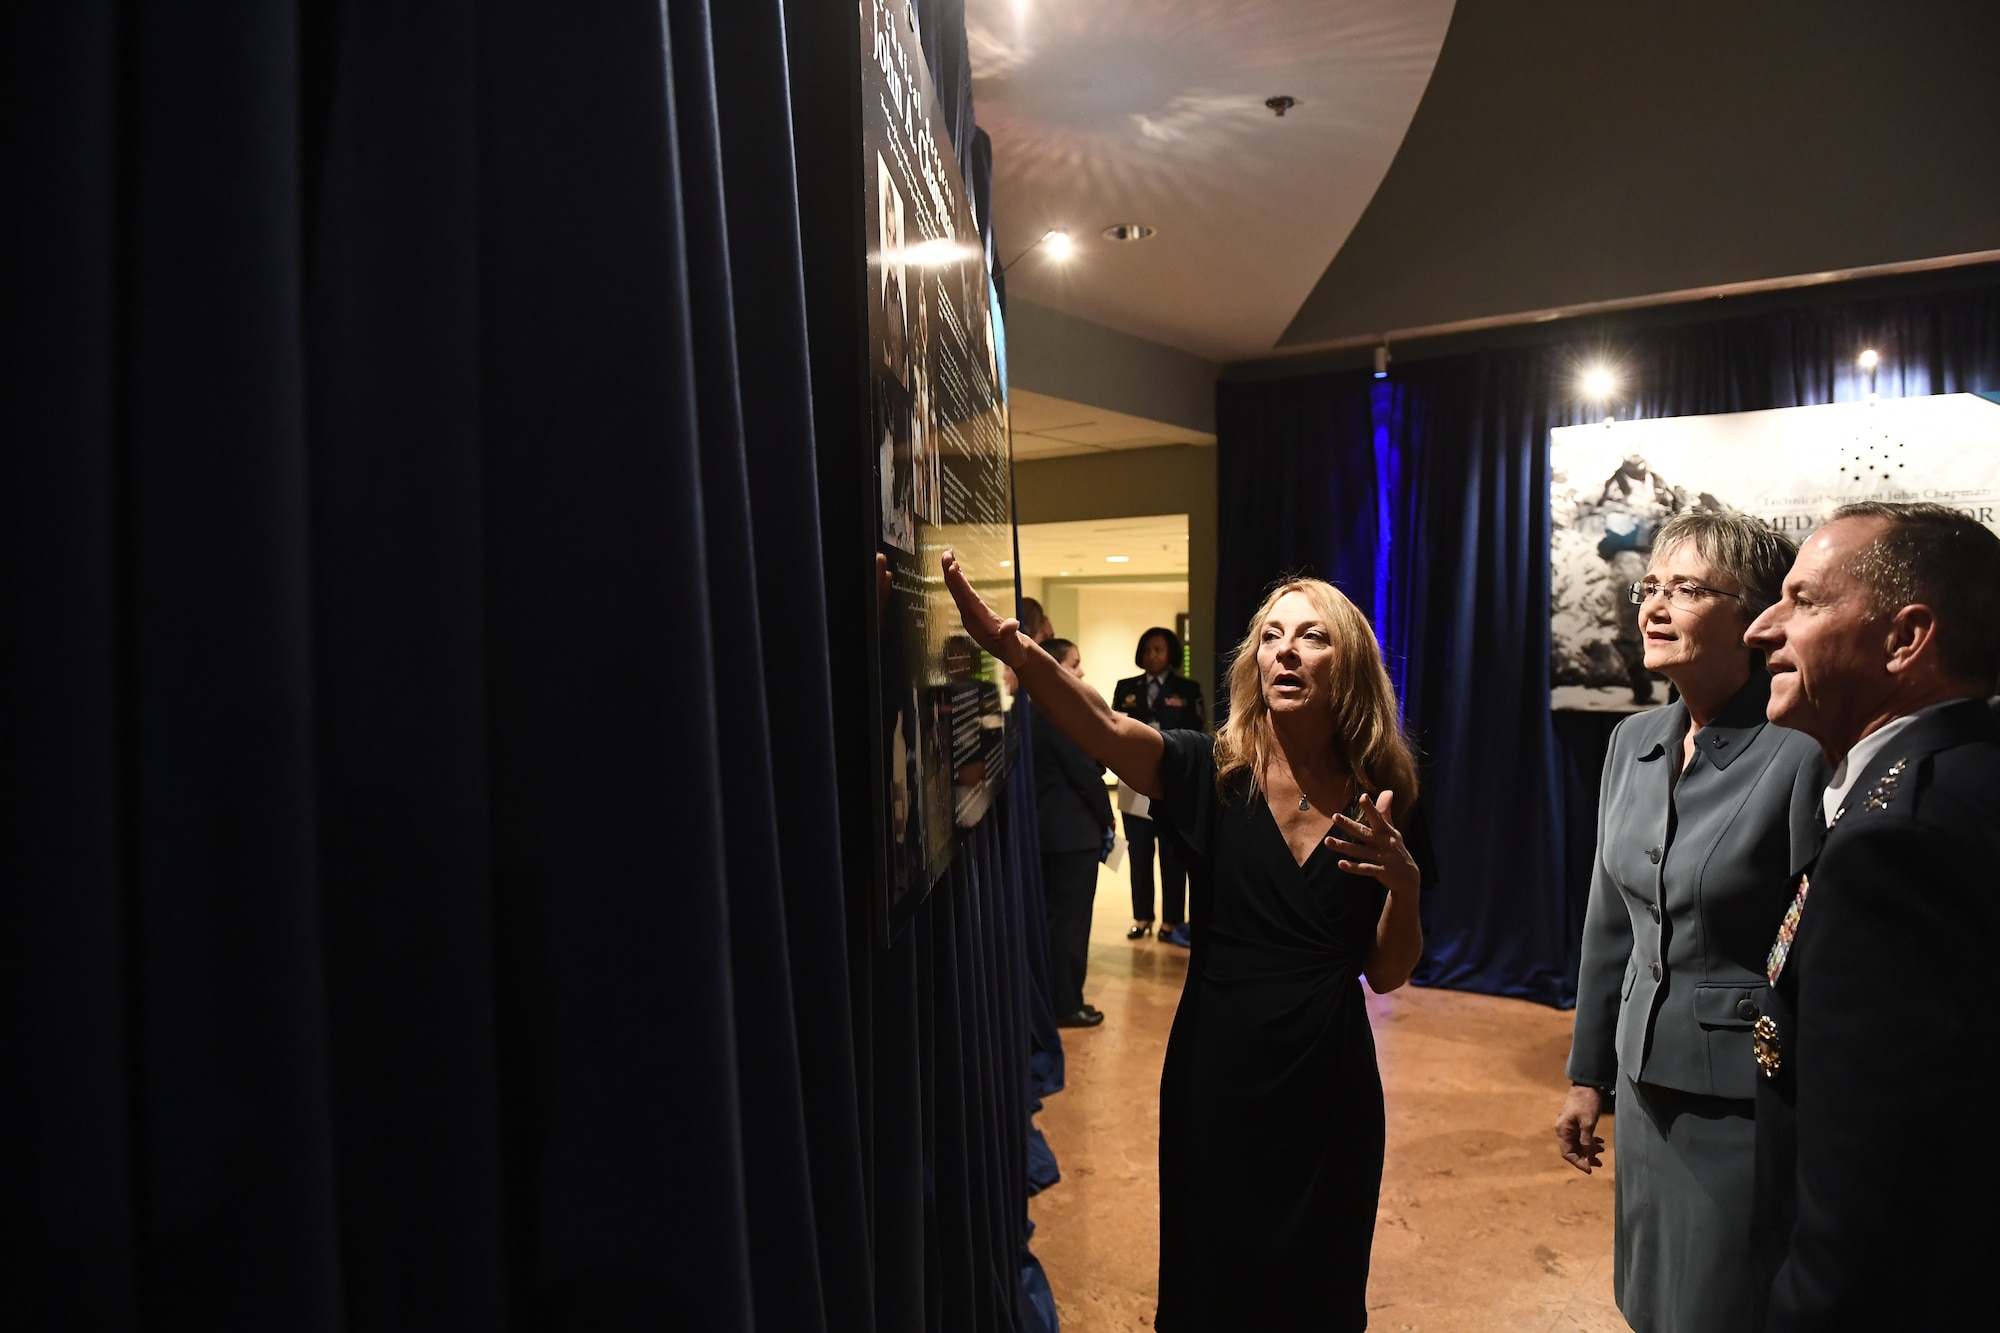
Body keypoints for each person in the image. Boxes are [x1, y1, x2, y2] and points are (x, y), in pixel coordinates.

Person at [943, 551, 1423, 1331]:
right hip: (1219, 1072)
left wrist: (1404, 886)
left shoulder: (1385, 791)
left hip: (1330, 1082)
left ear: (1350, 662)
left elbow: (1388, 971)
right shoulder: (1210, 772)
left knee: (1321, 1286)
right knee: (1215, 1279)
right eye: (1271, 636)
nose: (1287, 651)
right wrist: (1016, 649)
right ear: (1254, 659)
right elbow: (1103, 725)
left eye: (1311, 637)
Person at [1556, 512, 1827, 1333]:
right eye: (1650, 588)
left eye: (1686, 588)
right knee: (1650, 1300)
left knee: (1721, 1306)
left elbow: (1817, 950)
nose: (1654, 606)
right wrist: (1587, 1074)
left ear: (1753, 615)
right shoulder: (1633, 740)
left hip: (1748, 1097)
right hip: (1643, 1087)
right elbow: (1612, 923)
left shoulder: (1801, 749)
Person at [1741, 502, 2000, 1330]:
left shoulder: (1895, 841)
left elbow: (1869, 1195)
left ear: (1905, 638)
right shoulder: (1965, 777)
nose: (1762, 628)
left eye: (1804, 601)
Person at [1032, 638, 1114, 1029]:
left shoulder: (1032, 708)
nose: (1081, 672)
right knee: (1070, 925)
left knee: (1055, 921)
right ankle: (1066, 1004)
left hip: (1050, 831)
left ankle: (1052, 998)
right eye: (1075, 664)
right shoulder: (1057, 711)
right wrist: (1107, 818)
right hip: (1073, 834)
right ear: (1056, 667)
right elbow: (1085, 774)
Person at [1111, 626, 1205, 945]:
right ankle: (1142, 916)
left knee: (1173, 854)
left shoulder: (1188, 689)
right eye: (1148, 649)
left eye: (1159, 649)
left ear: (1171, 654)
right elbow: (1116, 732)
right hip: (1133, 784)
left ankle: (1172, 921)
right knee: (1139, 852)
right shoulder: (1126, 687)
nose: (1153, 655)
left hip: (1172, 784)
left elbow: (1196, 735)